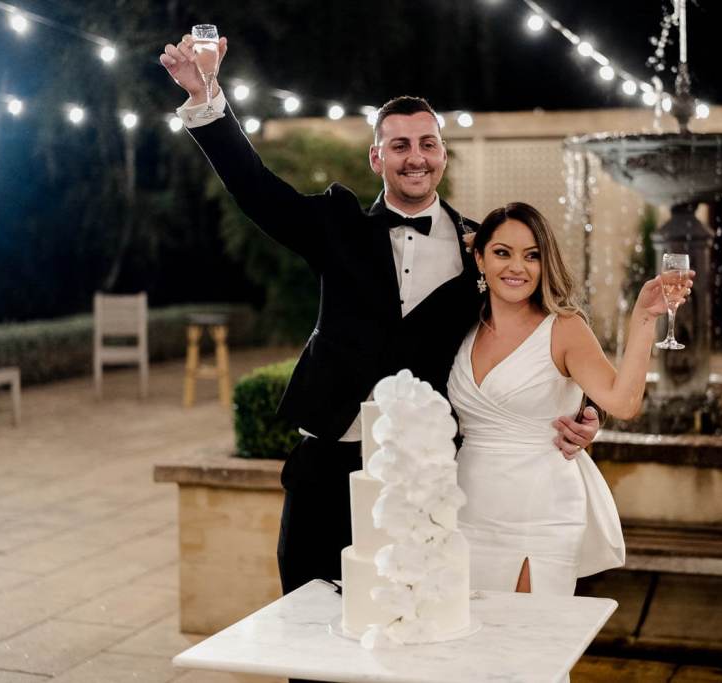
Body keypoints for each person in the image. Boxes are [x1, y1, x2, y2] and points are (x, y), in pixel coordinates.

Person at [158, 35, 601, 597]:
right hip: (328, 463)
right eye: (398, 146)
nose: (414, 156)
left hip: (426, 475)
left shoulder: (482, 252)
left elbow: (535, 338)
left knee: (409, 630)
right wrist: (206, 98)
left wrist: (586, 410)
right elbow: (257, 190)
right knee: (308, 622)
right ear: (377, 158)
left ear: (442, 154)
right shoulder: (336, 225)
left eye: (427, 143)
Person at [448, 202, 694, 596]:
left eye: (532, 256)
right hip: (464, 507)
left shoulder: (564, 328)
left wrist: (645, 319)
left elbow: (623, 403)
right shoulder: (459, 326)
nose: (517, 267)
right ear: (479, 258)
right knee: (467, 640)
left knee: (529, 640)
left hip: (540, 511)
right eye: (502, 253)